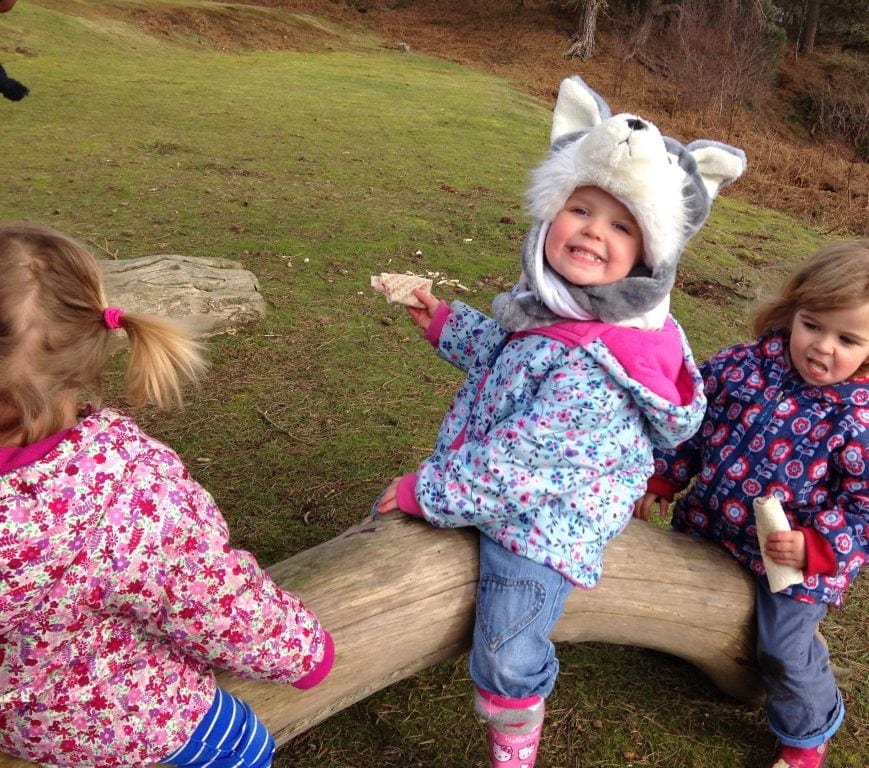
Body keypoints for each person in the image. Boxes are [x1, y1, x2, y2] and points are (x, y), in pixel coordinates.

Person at [373, 76, 745, 767]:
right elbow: (515, 356)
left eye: (622, 225)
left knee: (506, 644)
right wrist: (445, 323)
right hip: (513, 482)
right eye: (581, 208)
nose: (593, 232)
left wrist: (421, 491)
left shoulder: (601, 363)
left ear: (648, 256)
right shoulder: (566, 310)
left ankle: (516, 727)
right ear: (552, 212)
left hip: (548, 518)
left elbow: (522, 467)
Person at [0, 223, 334, 768]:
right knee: (243, 744)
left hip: (13, 720)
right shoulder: (127, 491)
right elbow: (216, 598)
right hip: (115, 719)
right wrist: (304, 652)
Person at [638, 238, 869, 768]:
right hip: (709, 525)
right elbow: (694, 428)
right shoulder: (743, 368)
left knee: (782, 650)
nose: (822, 347)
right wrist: (664, 478)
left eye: (847, 338)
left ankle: (807, 731)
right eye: (812, 325)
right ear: (791, 312)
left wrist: (817, 545)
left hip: (792, 567)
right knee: (664, 584)